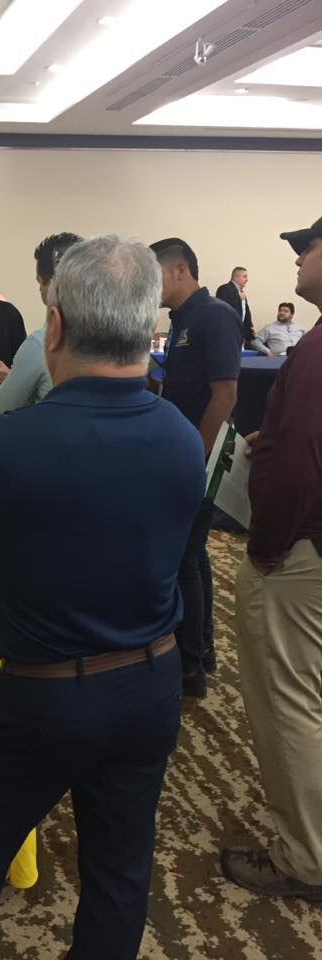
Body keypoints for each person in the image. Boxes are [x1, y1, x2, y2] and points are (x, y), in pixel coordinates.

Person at [0, 235, 206, 960]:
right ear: (147, 327)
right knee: (119, 875)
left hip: (38, 699)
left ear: (55, 327)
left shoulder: (2, 443)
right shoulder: (182, 437)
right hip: (151, 685)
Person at [221, 216, 322, 900]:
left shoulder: (317, 350)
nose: (297, 259)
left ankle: (305, 860)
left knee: (290, 700)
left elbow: (302, 468)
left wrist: (265, 548)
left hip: (299, 551)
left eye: (307, 247)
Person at [150, 238, 242, 698]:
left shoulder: (214, 315)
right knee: (194, 553)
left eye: (155, 276)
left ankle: (189, 667)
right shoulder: (181, 319)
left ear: (179, 271)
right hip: (182, 455)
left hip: (199, 459)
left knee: (184, 556)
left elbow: (225, 394)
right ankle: (201, 649)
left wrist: (196, 458)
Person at [0, 232, 80, 414]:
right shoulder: (112, 336)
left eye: (40, 283)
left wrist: (19, 381)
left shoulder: (39, 344)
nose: (39, 289)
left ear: (52, 285)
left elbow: (4, 406)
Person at [216, 267, 271, 354]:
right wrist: (239, 299)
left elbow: (245, 314)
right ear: (236, 277)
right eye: (244, 276)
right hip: (228, 334)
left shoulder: (241, 292)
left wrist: (250, 331)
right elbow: (223, 310)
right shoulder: (224, 289)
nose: (247, 279)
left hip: (239, 335)